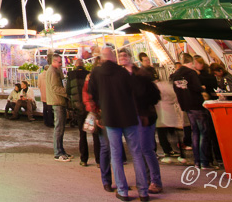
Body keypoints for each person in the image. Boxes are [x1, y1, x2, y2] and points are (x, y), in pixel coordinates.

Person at [87, 46, 150, 202]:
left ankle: (122, 190)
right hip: (128, 117)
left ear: (101, 58)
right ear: (113, 58)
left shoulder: (96, 73)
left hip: (110, 117)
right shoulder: (123, 72)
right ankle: (143, 191)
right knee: (136, 153)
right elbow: (136, 91)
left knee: (115, 155)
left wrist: (99, 109)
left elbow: (92, 93)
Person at [170, 53, 209, 169]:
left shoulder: (176, 75)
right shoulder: (191, 73)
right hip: (196, 104)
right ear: (191, 62)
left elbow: (176, 90)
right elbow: (196, 87)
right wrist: (203, 88)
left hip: (186, 106)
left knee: (195, 132)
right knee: (204, 133)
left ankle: (197, 161)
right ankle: (204, 161)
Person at [131, 62, 164, 195]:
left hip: (144, 117)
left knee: (145, 149)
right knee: (142, 150)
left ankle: (155, 180)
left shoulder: (141, 82)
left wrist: (143, 109)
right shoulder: (144, 81)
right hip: (140, 117)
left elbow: (154, 97)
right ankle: (148, 179)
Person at [156, 71, 186, 164]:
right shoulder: (168, 85)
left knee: (162, 134)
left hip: (160, 112)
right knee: (174, 133)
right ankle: (180, 153)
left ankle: (167, 153)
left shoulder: (155, 86)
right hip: (170, 110)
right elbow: (175, 97)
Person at [44, 53, 70, 161]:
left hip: (58, 100)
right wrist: (67, 92)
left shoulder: (55, 70)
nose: (61, 64)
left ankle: (61, 150)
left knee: (60, 127)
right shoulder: (53, 72)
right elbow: (55, 88)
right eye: (59, 62)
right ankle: (58, 152)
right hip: (57, 101)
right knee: (59, 127)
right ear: (54, 62)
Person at [66, 59, 90, 166]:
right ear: (83, 65)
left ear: (75, 65)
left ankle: (83, 159)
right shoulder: (88, 74)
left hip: (78, 107)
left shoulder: (71, 75)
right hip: (89, 106)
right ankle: (99, 160)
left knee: (82, 133)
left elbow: (68, 91)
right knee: (95, 133)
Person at [38, 64, 54, 128]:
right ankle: (50, 122)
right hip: (49, 94)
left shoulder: (40, 75)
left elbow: (38, 85)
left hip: (43, 93)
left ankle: (45, 121)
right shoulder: (50, 75)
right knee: (50, 109)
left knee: (45, 108)